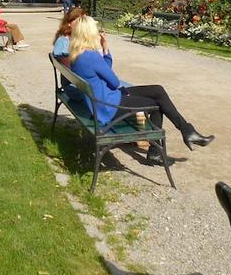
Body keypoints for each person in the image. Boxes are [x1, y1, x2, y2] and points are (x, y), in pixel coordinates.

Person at [69, 16, 214, 166]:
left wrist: (104, 51)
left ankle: (186, 131)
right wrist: (105, 49)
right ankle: (158, 151)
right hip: (109, 106)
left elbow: (106, 78)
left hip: (102, 101)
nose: (98, 33)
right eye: (95, 30)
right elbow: (113, 82)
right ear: (88, 33)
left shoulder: (76, 55)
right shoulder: (91, 56)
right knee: (159, 104)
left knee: (158, 90)